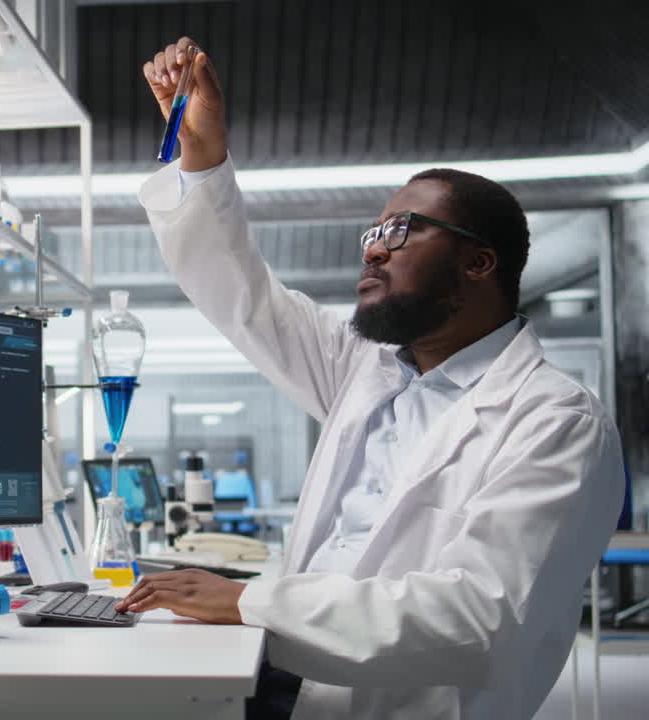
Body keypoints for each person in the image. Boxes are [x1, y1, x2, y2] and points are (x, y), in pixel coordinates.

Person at [115, 37, 626, 720]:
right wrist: (202, 156)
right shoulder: (367, 369)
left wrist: (248, 599)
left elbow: (478, 617)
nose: (376, 245)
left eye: (402, 229)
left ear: (479, 264)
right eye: (373, 231)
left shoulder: (556, 422)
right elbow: (245, 297)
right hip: (281, 674)